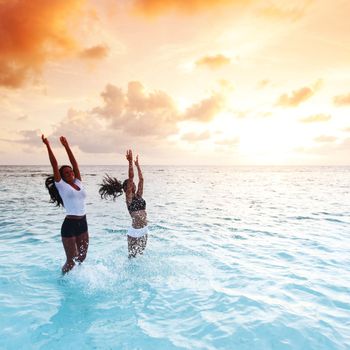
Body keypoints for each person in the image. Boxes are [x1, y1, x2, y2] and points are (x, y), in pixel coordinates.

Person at [42, 135, 89, 273]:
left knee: (82, 257)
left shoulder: (78, 182)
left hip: (83, 223)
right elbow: (54, 164)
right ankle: (62, 280)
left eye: (71, 172)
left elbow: (75, 165)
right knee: (71, 260)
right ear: (61, 176)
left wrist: (67, 147)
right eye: (66, 173)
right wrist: (48, 146)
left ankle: (76, 279)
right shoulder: (61, 185)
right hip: (70, 225)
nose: (70, 173)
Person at [99, 150, 148, 258]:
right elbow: (131, 178)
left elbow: (141, 179)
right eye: (131, 186)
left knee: (140, 256)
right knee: (132, 257)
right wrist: (130, 162)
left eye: (134, 185)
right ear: (126, 189)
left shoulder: (139, 195)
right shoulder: (129, 198)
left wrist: (138, 165)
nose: (133, 186)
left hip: (144, 229)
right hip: (134, 231)